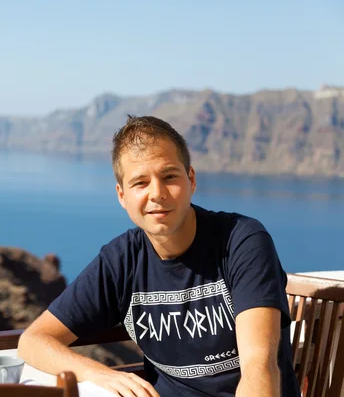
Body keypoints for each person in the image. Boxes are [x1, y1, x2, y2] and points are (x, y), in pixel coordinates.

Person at [17, 116, 300, 397]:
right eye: (140, 183)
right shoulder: (121, 260)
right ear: (121, 195)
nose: (157, 193)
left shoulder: (241, 241)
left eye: (169, 177)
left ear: (191, 180)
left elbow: (259, 367)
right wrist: (99, 373)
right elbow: (33, 341)